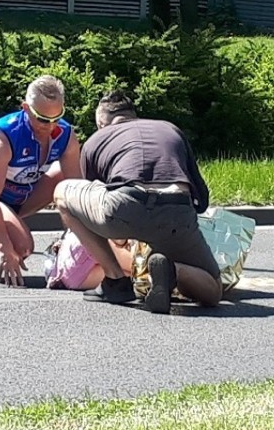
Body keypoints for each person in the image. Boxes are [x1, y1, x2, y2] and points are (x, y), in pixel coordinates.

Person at [53, 90, 221, 314]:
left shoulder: (96, 140)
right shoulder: (170, 129)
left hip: (128, 205)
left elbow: (96, 204)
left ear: (102, 123)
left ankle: (115, 281)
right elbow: (201, 196)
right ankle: (172, 270)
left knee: (62, 193)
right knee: (213, 288)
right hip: (177, 210)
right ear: (133, 115)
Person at [0, 75, 81, 286]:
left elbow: (77, 190)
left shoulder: (65, 134)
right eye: (42, 119)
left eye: (57, 117)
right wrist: (3, 248)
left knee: (65, 177)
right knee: (20, 249)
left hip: (17, 193)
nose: (50, 125)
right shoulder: (3, 137)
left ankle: (9, 224)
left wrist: (78, 237)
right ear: (26, 108)